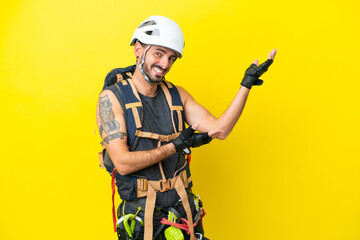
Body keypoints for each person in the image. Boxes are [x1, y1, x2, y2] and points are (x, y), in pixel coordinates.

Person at [96, 15, 277, 240]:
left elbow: (221, 129)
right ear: (138, 50)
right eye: (158, 53)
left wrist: (246, 86)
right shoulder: (112, 98)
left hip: (183, 212)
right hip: (143, 218)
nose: (165, 64)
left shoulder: (176, 95)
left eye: (171, 58)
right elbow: (122, 164)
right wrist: (175, 146)